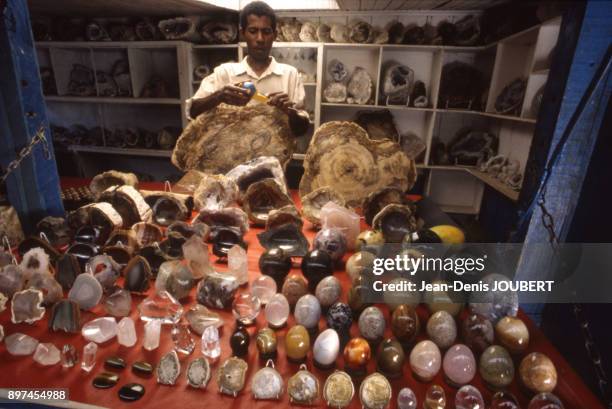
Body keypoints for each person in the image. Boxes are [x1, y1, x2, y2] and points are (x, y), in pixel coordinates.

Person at [186, 1, 310, 136]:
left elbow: (302, 130)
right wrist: (219, 96)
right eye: (253, 31)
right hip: (232, 156)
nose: (260, 38)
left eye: (266, 32)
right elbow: (192, 112)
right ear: (243, 33)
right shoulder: (225, 73)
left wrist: (289, 112)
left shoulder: (290, 75)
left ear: (274, 35)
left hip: (277, 156)